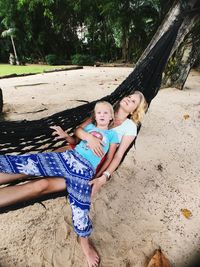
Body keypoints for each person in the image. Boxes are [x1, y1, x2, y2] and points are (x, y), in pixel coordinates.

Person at [0, 91, 148, 266]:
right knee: (30, 165)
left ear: (135, 110)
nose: (128, 100)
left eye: (133, 101)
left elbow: (115, 157)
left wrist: (102, 179)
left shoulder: (128, 127)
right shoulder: (101, 111)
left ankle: (83, 241)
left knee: (46, 187)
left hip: (86, 170)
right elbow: (79, 130)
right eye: (129, 96)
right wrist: (89, 138)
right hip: (70, 152)